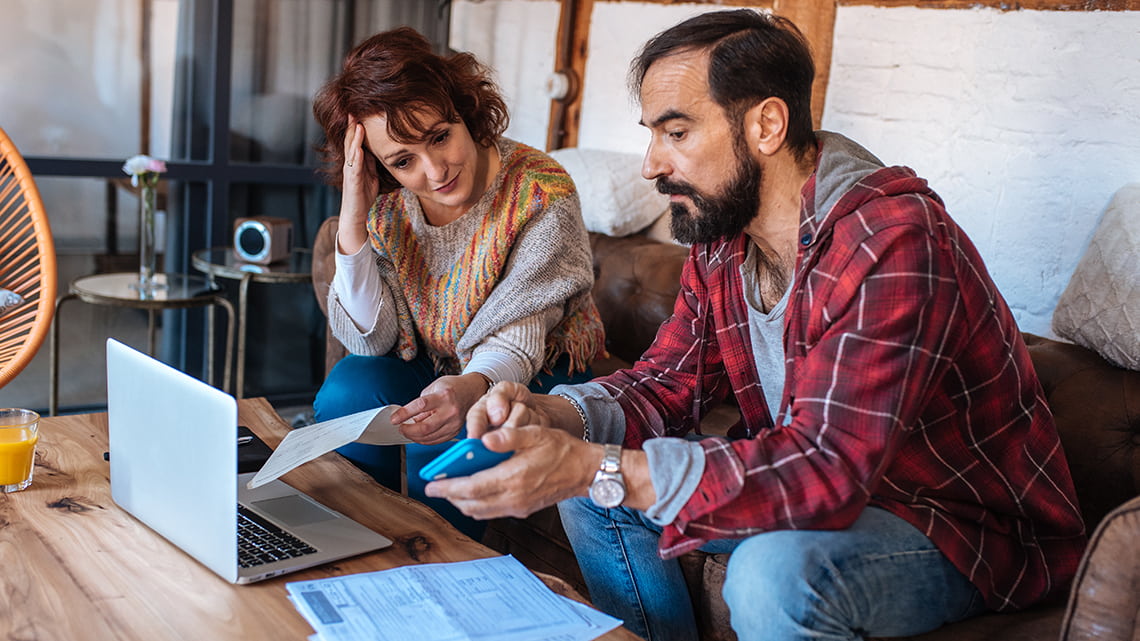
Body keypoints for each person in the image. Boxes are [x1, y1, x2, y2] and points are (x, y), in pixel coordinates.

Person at [422, 9, 1088, 641]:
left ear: (767, 125)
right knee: (596, 484)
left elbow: (827, 468)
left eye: (675, 132)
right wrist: (550, 416)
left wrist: (594, 463)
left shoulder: (891, 241)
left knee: (772, 574)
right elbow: (664, 385)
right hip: (834, 491)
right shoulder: (723, 236)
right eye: (653, 133)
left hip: (957, 525)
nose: (651, 162)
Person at [310, 27, 604, 540]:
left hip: (538, 366)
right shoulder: (386, 206)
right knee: (345, 392)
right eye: (403, 161)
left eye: (440, 136)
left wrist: (471, 388)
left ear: (464, 111)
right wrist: (353, 220)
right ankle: (356, 542)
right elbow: (370, 340)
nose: (435, 170)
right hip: (439, 361)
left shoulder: (540, 192)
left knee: (444, 441)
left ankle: (441, 567)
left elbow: (518, 338)